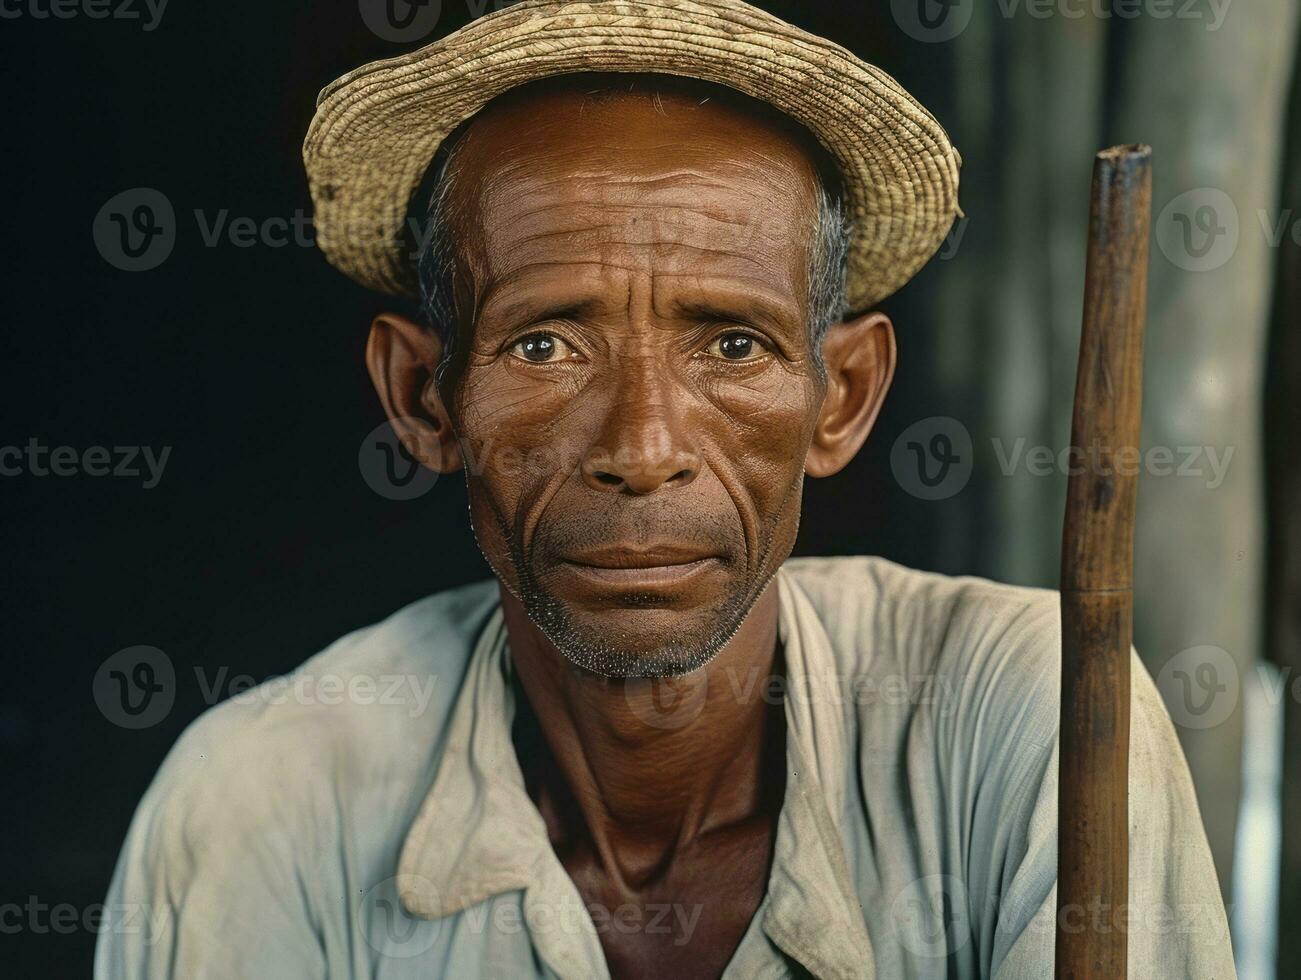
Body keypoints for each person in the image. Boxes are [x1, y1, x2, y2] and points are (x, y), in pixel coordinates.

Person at [97, 1, 1235, 977]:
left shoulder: (1023, 718)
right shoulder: (263, 805)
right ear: (422, 397)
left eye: (731, 345)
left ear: (838, 397)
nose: (642, 446)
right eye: (545, 346)